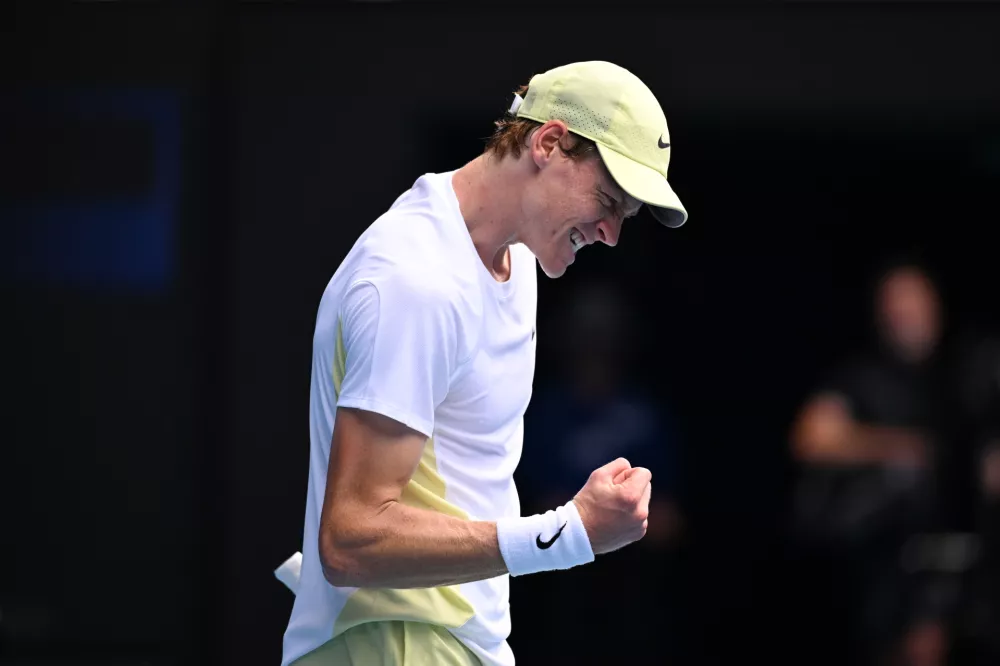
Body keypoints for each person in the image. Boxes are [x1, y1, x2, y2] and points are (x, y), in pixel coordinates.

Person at [280, 61, 689, 666]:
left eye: (623, 216)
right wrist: (566, 534)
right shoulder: (415, 280)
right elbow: (350, 538)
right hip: (393, 639)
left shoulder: (513, 260)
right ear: (548, 143)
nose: (609, 233)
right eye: (607, 200)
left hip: (446, 641)